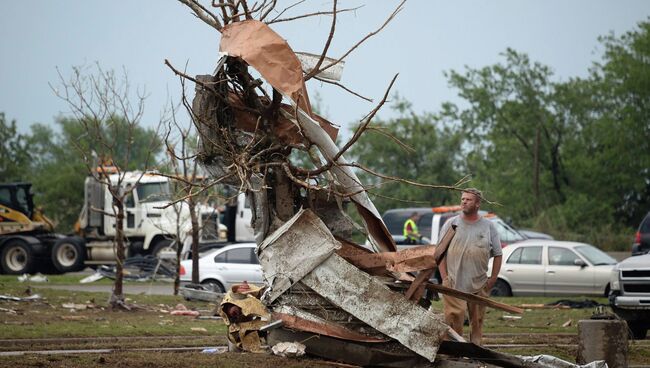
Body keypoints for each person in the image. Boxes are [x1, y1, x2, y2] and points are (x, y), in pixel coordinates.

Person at [439, 188, 502, 345]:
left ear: (478, 204)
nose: (464, 202)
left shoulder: (488, 226)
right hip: (453, 283)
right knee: (453, 320)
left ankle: (475, 352)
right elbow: (439, 253)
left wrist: (493, 278)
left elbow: (498, 254)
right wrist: (444, 278)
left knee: (477, 322)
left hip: (479, 284)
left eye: (468, 199)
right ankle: (454, 353)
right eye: (462, 199)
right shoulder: (451, 224)